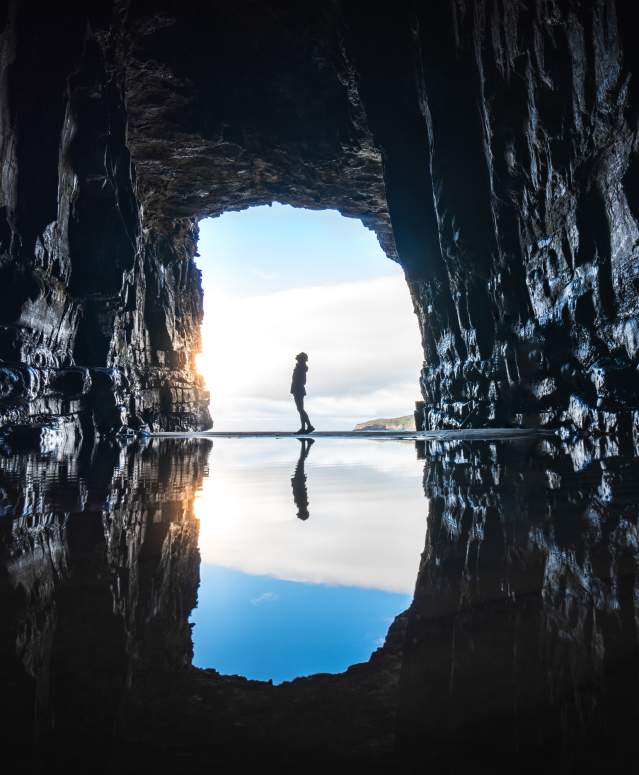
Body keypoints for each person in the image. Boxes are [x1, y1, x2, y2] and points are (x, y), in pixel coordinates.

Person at [290, 352, 315, 433]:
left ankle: (309, 426)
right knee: (300, 409)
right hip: (298, 389)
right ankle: (303, 428)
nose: (297, 359)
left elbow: (302, 381)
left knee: (300, 409)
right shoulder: (301, 367)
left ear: (301, 359)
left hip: (298, 389)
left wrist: (296, 386)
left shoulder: (300, 367)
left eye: (298, 358)